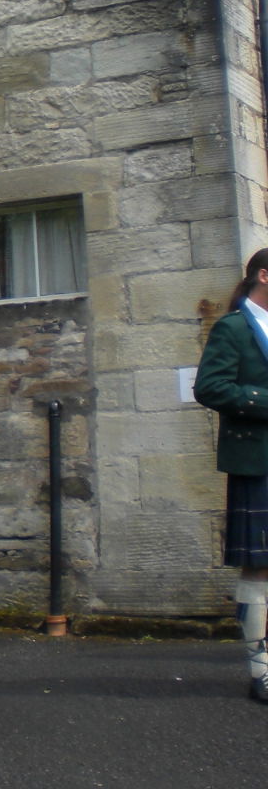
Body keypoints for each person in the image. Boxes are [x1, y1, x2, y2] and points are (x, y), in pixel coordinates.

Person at [194, 249, 268, 703]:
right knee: (259, 565)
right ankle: (262, 670)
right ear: (264, 275)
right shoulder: (234, 327)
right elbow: (210, 386)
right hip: (258, 461)